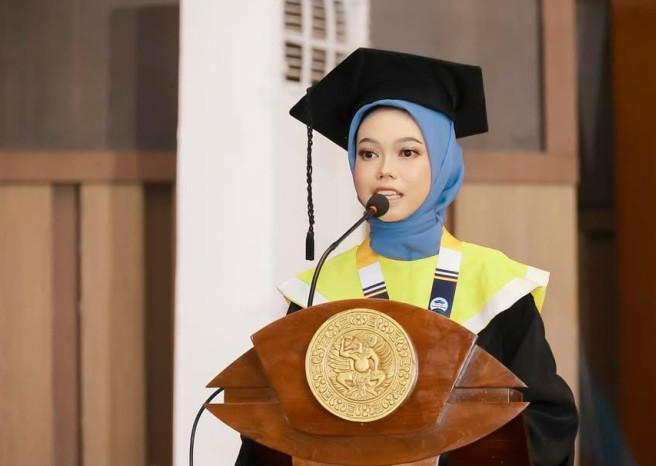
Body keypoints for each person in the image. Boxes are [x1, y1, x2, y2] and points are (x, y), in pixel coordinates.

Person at [236, 48, 578, 466]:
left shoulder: (495, 286)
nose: (385, 170)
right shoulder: (319, 292)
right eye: (368, 153)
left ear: (443, 162)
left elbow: (547, 423)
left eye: (408, 152)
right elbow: (270, 433)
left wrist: (439, 459)